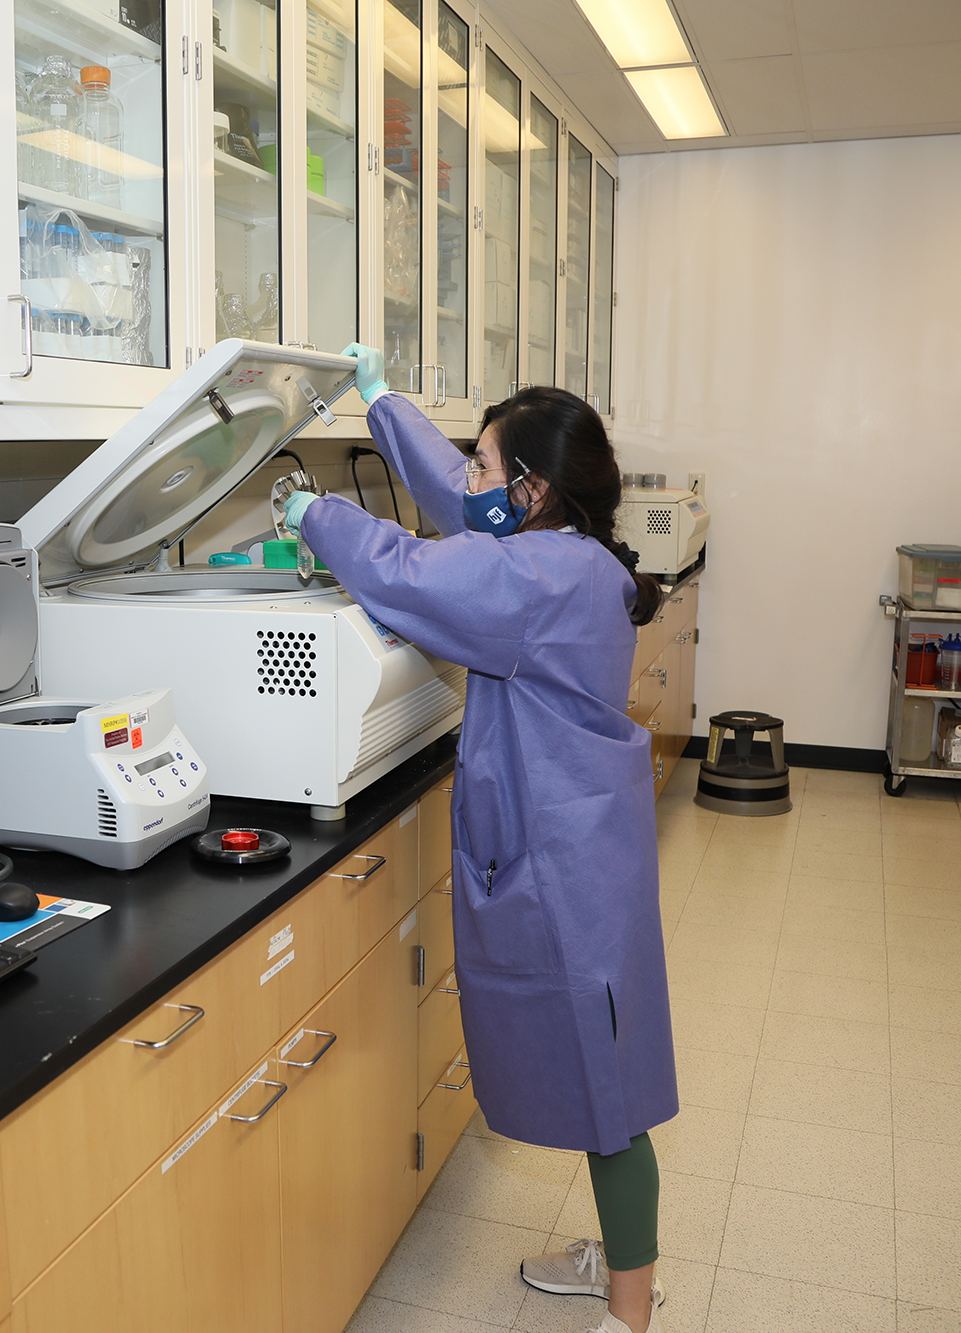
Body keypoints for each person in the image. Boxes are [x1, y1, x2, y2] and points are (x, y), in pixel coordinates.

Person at [281, 345, 676, 1333]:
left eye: (486, 465)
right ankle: (622, 1261)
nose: (470, 479)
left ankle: (629, 1307)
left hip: (568, 859)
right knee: (603, 1071)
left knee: (605, 1084)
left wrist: (313, 514)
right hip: (576, 840)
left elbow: (411, 569)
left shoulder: (540, 576)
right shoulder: (563, 548)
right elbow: (456, 506)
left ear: (533, 490)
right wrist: (381, 403)